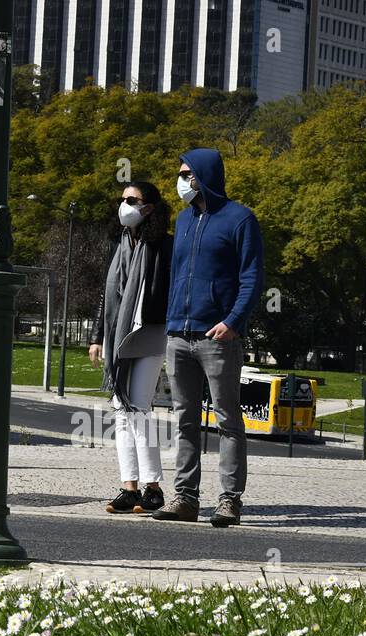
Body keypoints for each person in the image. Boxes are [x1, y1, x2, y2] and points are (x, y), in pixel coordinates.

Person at [152, 148, 263, 528]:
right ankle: (185, 498)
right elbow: (175, 275)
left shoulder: (240, 219)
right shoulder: (184, 220)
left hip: (218, 336)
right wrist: (168, 322)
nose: (181, 180)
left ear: (203, 176)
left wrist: (233, 321)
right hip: (178, 334)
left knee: (228, 419)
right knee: (183, 418)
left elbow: (251, 278)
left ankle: (230, 500)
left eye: (186, 174)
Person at [89, 181, 173, 514]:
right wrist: (97, 337)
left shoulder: (164, 246)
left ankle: (153, 489)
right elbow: (105, 295)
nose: (124, 204)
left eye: (132, 200)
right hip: (117, 335)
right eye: (122, 199)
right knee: (122, 412)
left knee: (137, 407)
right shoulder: (119, 243)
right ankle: (130, 488)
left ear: (149, 208)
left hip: (150, 333)